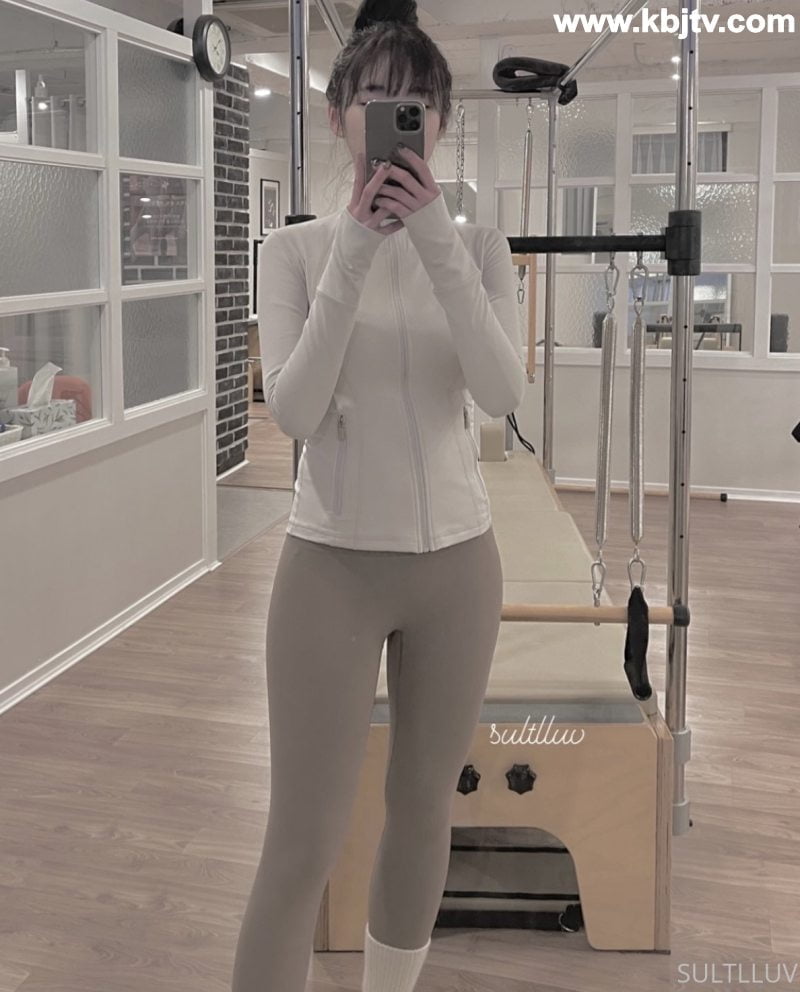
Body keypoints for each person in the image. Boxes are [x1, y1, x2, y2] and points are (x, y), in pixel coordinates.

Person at [231, 0, 526, 989]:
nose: (396, 117)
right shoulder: (292, 253)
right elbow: (295, 410)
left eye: (416, 102)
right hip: (331, 568)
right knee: (302, 836)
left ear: (440, 121)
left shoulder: (479, 250)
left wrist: (433, 232)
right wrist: (356, 245)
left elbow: (500, 393)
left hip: (458, 568)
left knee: (423, 808)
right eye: (373, 99)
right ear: (337, 116)